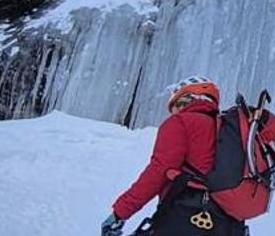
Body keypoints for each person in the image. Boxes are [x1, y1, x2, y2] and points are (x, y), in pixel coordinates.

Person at [102, 76, 248, 236]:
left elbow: (159, 171)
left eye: (176, 106)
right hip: (230, 224)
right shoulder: (231, 133)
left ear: (187, 98)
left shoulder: (181, 122)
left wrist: (120, 213)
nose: (174, 113)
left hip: (186, 215)